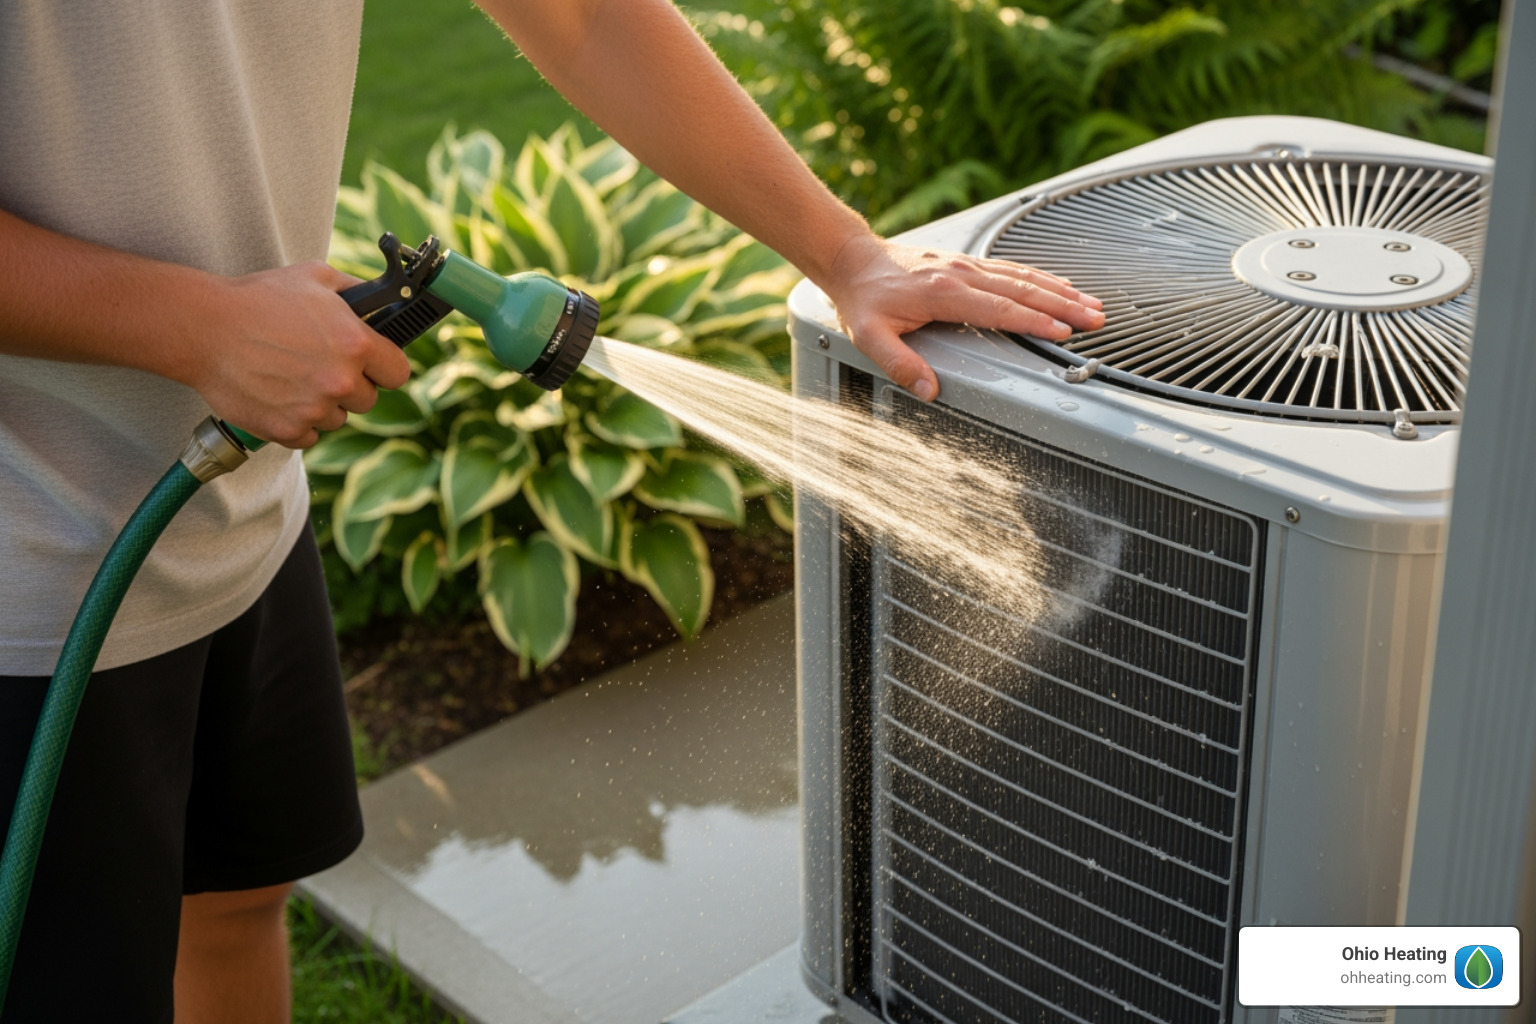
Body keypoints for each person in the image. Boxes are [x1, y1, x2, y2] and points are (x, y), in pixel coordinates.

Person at [0, 1, 1103, 1021]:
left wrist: (846, 252)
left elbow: (580, 16)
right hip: (32, 564)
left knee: (235, 895)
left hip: (228, 511)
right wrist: (189, 326)